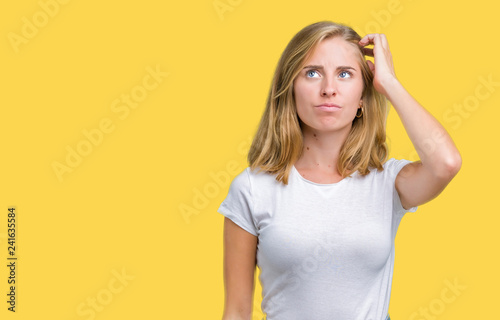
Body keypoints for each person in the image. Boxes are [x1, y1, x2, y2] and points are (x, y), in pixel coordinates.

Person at [217, 21, 461, 320]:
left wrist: (389, 83)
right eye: (312, 73)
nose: (328, 89)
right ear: (290, 89)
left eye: (345, 74)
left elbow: (446, 163)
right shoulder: (252, 189)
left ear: (362, 97)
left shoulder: (387, 182)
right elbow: (237, 311)